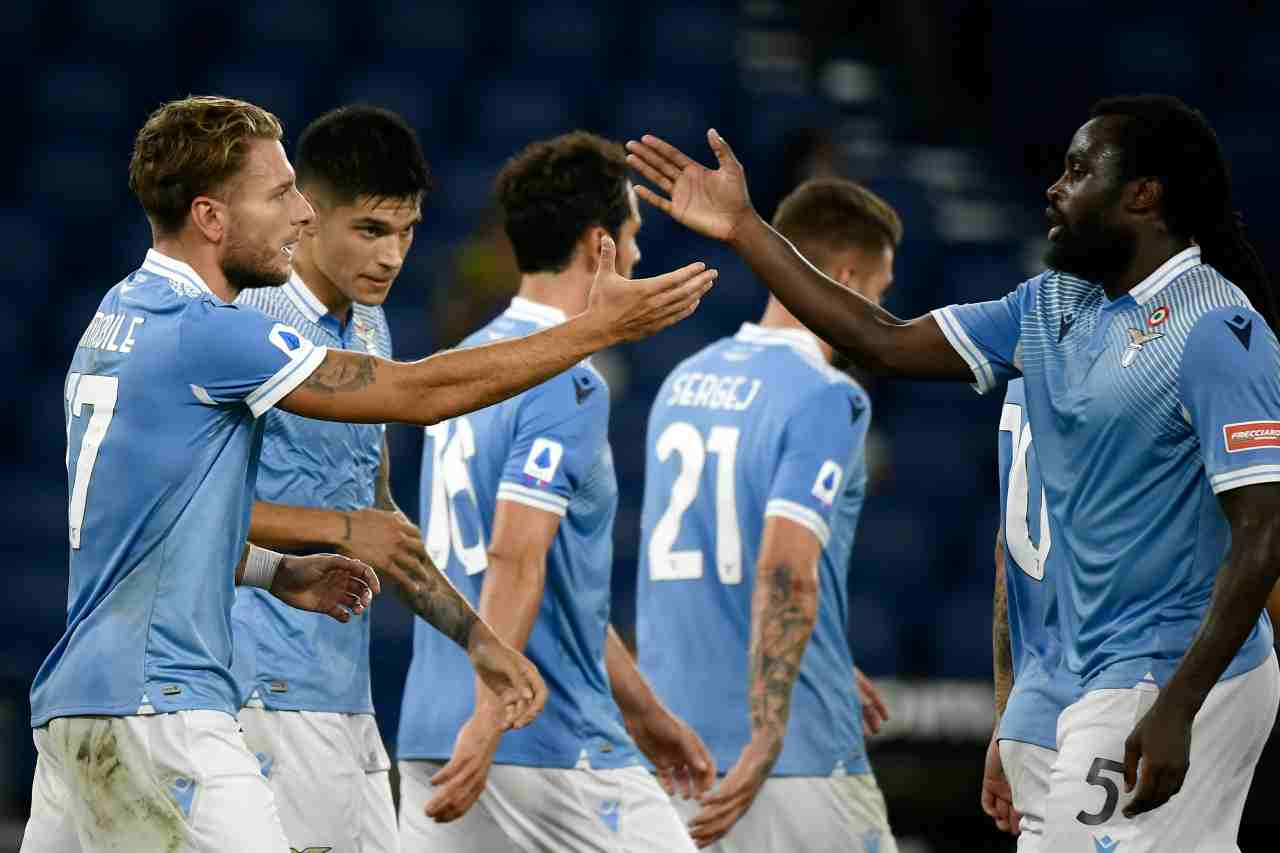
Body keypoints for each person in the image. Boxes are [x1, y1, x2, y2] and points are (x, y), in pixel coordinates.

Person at [22, 95, 716, 853]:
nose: (300, 214)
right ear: (212, 217)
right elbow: (419, 394)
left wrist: (276, 570)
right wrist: (596, 328)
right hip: (179, 706)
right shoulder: (218, 334)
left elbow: (153, 518)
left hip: (85, 701)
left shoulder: (116, 315)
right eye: (281, 194)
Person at [626, 94, 1280, 852]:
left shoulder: (1216, 328)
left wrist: (1181, 701)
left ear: (1144, 194)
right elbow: (884, 339)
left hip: (1166, 671)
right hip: (1077, 677)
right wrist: (745, 228)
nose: (1053, 189)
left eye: (1077, 171)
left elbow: (1264, 532)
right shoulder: (1051, 304)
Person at [397, 131, 714, 853]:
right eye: (632, 239)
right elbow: (514, 557)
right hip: (542, 739)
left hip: (429, 733)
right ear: (600, 245)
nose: (637, 260)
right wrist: (491, 713)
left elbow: (558, 591)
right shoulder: (568, 381)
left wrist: (648, 713)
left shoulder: (458, 366)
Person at [635, 178, 899, 853]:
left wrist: (820, 646)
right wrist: (769, 729)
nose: (879, 314)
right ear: (843, 278)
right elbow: (783, 565)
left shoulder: (682, 382)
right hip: (792, 756)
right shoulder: (828, 396)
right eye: (878, 291)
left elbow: (706, 563)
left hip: (679, 756)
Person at [228, 104, 458, 852]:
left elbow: (377, 506)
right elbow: (189, 503)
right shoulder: (249, 319)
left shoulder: (368, 324)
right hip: (262, 683)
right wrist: (342, 529)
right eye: (370, 230)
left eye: (407, 232)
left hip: (343, 686)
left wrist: (481, 645)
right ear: (308, 216)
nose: (392, 256)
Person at [980, 378, 1080, 850]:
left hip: (1037, 708)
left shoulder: (1025, 380)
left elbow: (1008, 552)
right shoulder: (1136, 368)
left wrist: (1009, 715)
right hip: (1117, 693)